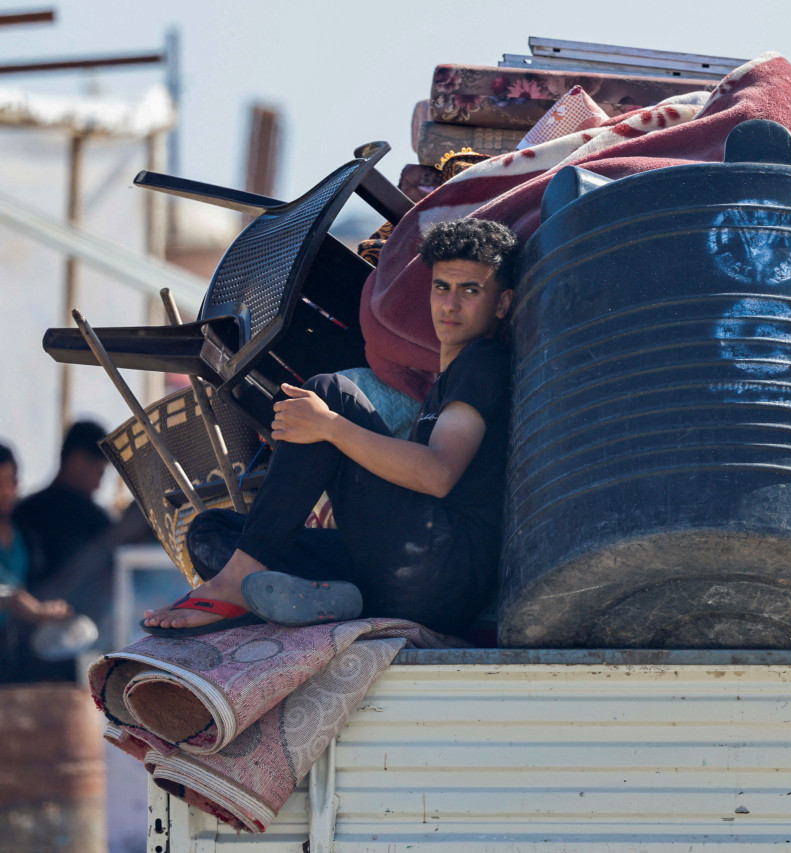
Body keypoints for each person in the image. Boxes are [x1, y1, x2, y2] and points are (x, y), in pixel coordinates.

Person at [143, 218, 517, 637]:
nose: (450, 304)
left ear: (502, 304)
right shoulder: (448, 379)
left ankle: (237, 586)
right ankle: (315, 598)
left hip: (442, 571)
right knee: (211, 531)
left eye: (470, 290)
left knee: (328, 393)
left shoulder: (482, 361)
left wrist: (331, 427)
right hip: (397, 577)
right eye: (441, 287)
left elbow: (438, 473)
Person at [0, 442, 74, 683]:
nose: (4, 492)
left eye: (8, 483)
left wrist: (49, 609)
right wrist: (33, 609)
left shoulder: (26, 536)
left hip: (16, 660)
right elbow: (10, 595)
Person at [13, 421, 112, 581]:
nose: (99, 485)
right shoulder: (95, 520)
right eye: (100, 473)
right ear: (77, 461)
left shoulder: (22, 512)